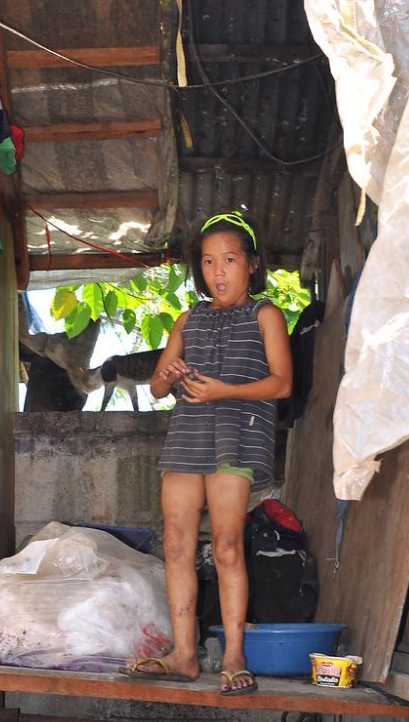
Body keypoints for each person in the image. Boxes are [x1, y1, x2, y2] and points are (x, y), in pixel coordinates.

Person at [122, 210, 292, 695]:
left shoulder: (266, 314)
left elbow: (282, 384)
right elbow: (156, 386)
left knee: (226, 545)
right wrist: (169, 376)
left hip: (237, 433)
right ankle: (183, 654)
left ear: (252, 265)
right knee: (176, 544)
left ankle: (235, 655)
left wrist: (224, 392)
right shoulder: (187, 318)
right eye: (210, 262)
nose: (219, 272)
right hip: (188, 434)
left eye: (231, 261)